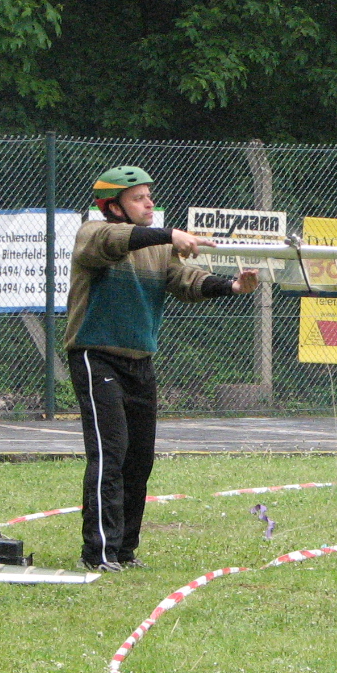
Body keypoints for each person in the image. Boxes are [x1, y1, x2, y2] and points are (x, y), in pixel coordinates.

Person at [66, 166, 257, 571]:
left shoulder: (158, 247)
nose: (149, 203)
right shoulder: (93, 233)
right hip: (95, 356)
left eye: (149, 195)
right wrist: (171, 234)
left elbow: (186, 280)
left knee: (139, 459)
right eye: (138, 197)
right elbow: (117, 240)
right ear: (113, 206)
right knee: (110, 454)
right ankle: (98, 553)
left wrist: (232, 286)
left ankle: (124, 550)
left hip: (140, 361)